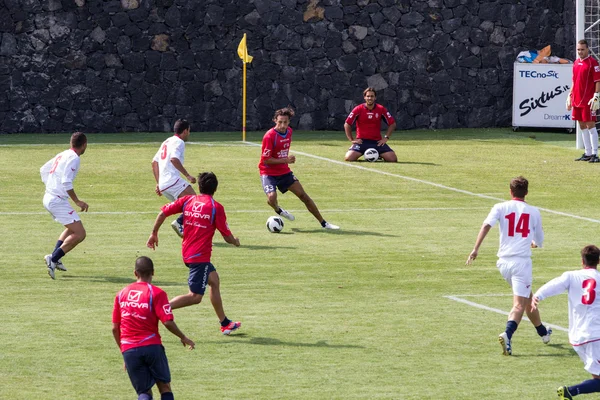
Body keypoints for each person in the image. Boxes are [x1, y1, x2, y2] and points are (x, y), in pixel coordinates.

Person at [146, 172, 242, 335]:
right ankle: (158, 310)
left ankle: (225, 323)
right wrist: (235, 241)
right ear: (215, 189)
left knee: (214, 280)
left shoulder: (188, 200)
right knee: (195, 297)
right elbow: (226, 236)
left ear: (199, 187)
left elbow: (162, 213)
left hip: (189, 252)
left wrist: (154, 233)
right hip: (199, 257)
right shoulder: (215, 207)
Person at [466, 176, 551, 355]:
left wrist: (475, 249)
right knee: (519, 304)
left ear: (510, 191)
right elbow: (539, 241)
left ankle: (543, 332)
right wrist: (533, 244)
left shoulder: (500, 207)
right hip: (521, 263)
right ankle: (508, 334)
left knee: (529, 298)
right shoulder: (534, 211)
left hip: (503, 263)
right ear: (526, 192)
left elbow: (486, 226)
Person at [112, 256, 195, 400]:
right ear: (153, 272)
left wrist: (124, 351)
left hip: (129, 350)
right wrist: (183, 337)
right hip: (152, 346)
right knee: (164, 388)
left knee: (144, 392)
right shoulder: (157, 293)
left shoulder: (121, 294)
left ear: (135, 273)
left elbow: (115, 328)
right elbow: (167, 322)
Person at [532, 245, 600, 400]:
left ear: (582, 261)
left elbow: (554, 285)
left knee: (597, 377)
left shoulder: (571, 276)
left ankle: (570, 392)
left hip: (577, 338)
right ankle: (569, 391)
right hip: (595, 335)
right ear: (599, 261)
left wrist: (538, 296)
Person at [259, 107, 340, 230]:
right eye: (280, 122)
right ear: (275, 120)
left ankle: (324, 223)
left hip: (284, 172)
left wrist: (285, 162)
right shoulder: (269, 136)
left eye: (285, 122)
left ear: (289, 122)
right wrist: (286, 160)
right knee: (271, 198)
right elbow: (266, 160)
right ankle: (278, 209)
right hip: (268, 173)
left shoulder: (289, 132)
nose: (282, 125)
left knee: (303, 195)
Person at [40, 131, 89, 279]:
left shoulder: (63, 154)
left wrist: (50, 187)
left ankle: (56, 257)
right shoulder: (74, 158)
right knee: (80, 234)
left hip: (50, 197)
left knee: (71, 227)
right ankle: (53, 259)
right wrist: (77, 201)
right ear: (84, 145)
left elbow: (43, 170)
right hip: (57, 200)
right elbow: (66, 182)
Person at [152, 119, 197, 238]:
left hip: (164, 185)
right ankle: (179, 223)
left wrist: (159, 183)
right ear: (185, 130)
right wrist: (187, 175)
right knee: (196, 202)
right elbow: (174, 159)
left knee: (188, 207)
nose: (189, 133)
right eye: (189, 130)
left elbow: (154, 163)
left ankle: (191, 234)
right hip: (172, 182)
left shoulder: (166, 141)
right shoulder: (179, 142)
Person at [344, 87, 398, 162]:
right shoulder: (358, 109)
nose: (370, 98)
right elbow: (347, 124)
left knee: (393, 159)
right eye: (368, 96)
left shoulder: (381, 109)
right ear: (364, 97)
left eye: (372, 96)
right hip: (362, 142)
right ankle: (366, 152)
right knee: (349, 158)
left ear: (375, 98)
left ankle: (377, 154)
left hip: (377, 142)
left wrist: (386, 138)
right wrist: (352, 139)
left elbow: (392, 124)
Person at [567, 39, 600, 163]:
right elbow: (574, 81)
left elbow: (597, 81)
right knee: (581, 126)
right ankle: (588, 152)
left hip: (588, 101)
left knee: (590, 125)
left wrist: (596, 96)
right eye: (578, 50)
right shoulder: (576, 63)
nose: (580, 52)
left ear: (587, 49)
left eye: (582, 49)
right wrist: (569, 95)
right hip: (577, 100)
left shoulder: (593, 63)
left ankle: (595, 154)